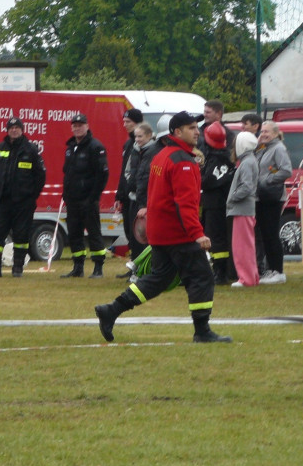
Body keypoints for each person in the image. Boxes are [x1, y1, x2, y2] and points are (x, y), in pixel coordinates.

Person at [94, 111, 232, 344]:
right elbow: (185, 203)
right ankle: (202, 331)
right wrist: (197, 234)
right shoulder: (182, 161)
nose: (197, 131)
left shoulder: (162, 155)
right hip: (178, 233)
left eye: (197, 127)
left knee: (158, 279)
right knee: (202, 277)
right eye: (191, 128)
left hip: (161, 232)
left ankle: (112, 310)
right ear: (177, 132)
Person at [0, 116, 47, 277]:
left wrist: (31, 196)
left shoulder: (31, 150)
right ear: (7, 130)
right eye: (11, 128)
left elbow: (40, 176)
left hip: (23, 202)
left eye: (17, 127)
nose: (14, 130)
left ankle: (17, 269)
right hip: (1, 201)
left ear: (22, 130)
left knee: (21, 236)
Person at [60, 113, 110, 278]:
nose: (77, 128)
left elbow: (102, 175)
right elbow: (68, 173)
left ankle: (98, 268)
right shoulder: (71, 148)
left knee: (94, 233)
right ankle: (78, 267)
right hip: (72, 200)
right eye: (74, 125)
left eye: (80, 125)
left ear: (87, 126)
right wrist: (65, 195)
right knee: (74, 234)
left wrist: (93, 197)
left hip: (88, 199)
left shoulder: (96, 147)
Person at [255, 120, 293, 284]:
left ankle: (278, 271)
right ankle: (270, 269)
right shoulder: (264, 148)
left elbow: (286, 170)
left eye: (267, 132)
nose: (263, 134)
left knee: (271, 234)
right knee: (265, 234)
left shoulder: (278, 148)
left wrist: (266, 181)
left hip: (272, 197)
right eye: (262, 131)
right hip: (262, 196)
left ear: (276, 133)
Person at [117, 121, 155, 277]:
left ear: (149, 136)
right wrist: (130, 184)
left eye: (140, 136)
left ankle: (144, 270)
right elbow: (127, 171)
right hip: (133, 198)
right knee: (134, 236)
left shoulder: (153, 151)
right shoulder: (134, 150)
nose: (137, 139)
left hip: (146, 201)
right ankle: (135, 268)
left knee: (145, 237)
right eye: (136, 136)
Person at [201, 121, 235, 284]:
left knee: (216, 239)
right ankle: (219, 271)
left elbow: (208, 181)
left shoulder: (217, 159)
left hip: (215, 205)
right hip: (216, 204)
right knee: (216, 238)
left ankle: (220, 273)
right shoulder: (223, 157)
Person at [227, 131, 260, 287]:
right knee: (247, 245)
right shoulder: (250, 160)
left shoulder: (246, 162)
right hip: (246, 209)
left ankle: (245, 278)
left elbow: (246, 186)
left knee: (241, 247)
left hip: (242, 209)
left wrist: (232, 197)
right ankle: (252, 276)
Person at [113, 108, 143, 257]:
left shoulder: (141, 145)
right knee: (128, 231)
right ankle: (133, 264)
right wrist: (119, 195)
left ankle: (138, 267)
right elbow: (123, 173)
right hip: (126, 194)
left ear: (137, 123)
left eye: (128, 122)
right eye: (124, 121)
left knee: (136, 233)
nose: (125, 125)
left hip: (136, 196)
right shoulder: (128, 144)